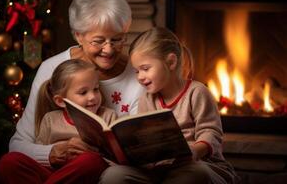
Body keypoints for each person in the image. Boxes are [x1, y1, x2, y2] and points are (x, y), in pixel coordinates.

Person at [0, 0, 144, 183]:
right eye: (98, 41)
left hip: (96, 171)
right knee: (9, 163)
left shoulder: (140, 75)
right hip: (57, 172)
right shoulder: (52, 68)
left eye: (117, 39)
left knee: (91, 163)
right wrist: (51, 153)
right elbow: (18, 144)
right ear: (78, 35)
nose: (109, 50)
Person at [99, 27, 240, 184]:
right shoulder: (146, 99)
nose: (140, 77)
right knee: (113, 175)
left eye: (145, 69)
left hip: (199, 164)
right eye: (136, 71)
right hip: (159, 169)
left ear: (171, 62)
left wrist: (195, 151)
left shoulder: (197, 92)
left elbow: (211, 132)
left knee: (194, 174)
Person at [34, 59, 117, 171]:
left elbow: (117, 160)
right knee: (10, 161)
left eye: (96, 89)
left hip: (88, 172)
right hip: (54, 173)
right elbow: (39, 155)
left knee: (90, 160)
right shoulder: (50, 119)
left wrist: (95, 154)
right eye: (83, 92)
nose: (92, 97)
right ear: (61, 101)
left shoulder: (108, 116)